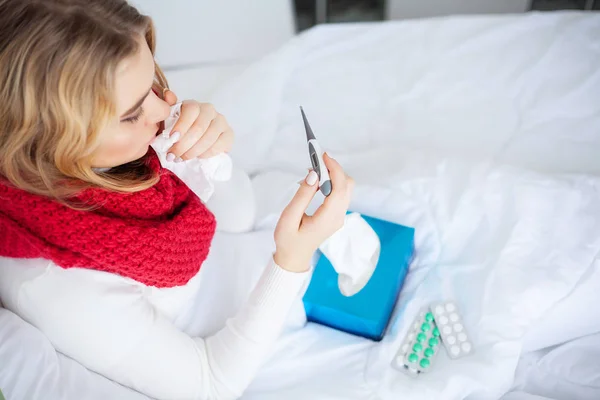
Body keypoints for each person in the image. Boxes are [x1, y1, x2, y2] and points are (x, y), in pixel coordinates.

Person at [0, 1, 353, 399]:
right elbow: (211, 384)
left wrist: (211, 156)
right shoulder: (56, 287)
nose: (165, 107)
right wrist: (292, 261)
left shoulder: (117, 157)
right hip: (243, 331)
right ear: (53, 145)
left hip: (244, 262)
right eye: (133, 114)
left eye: (151, 82)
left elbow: (236, 213)